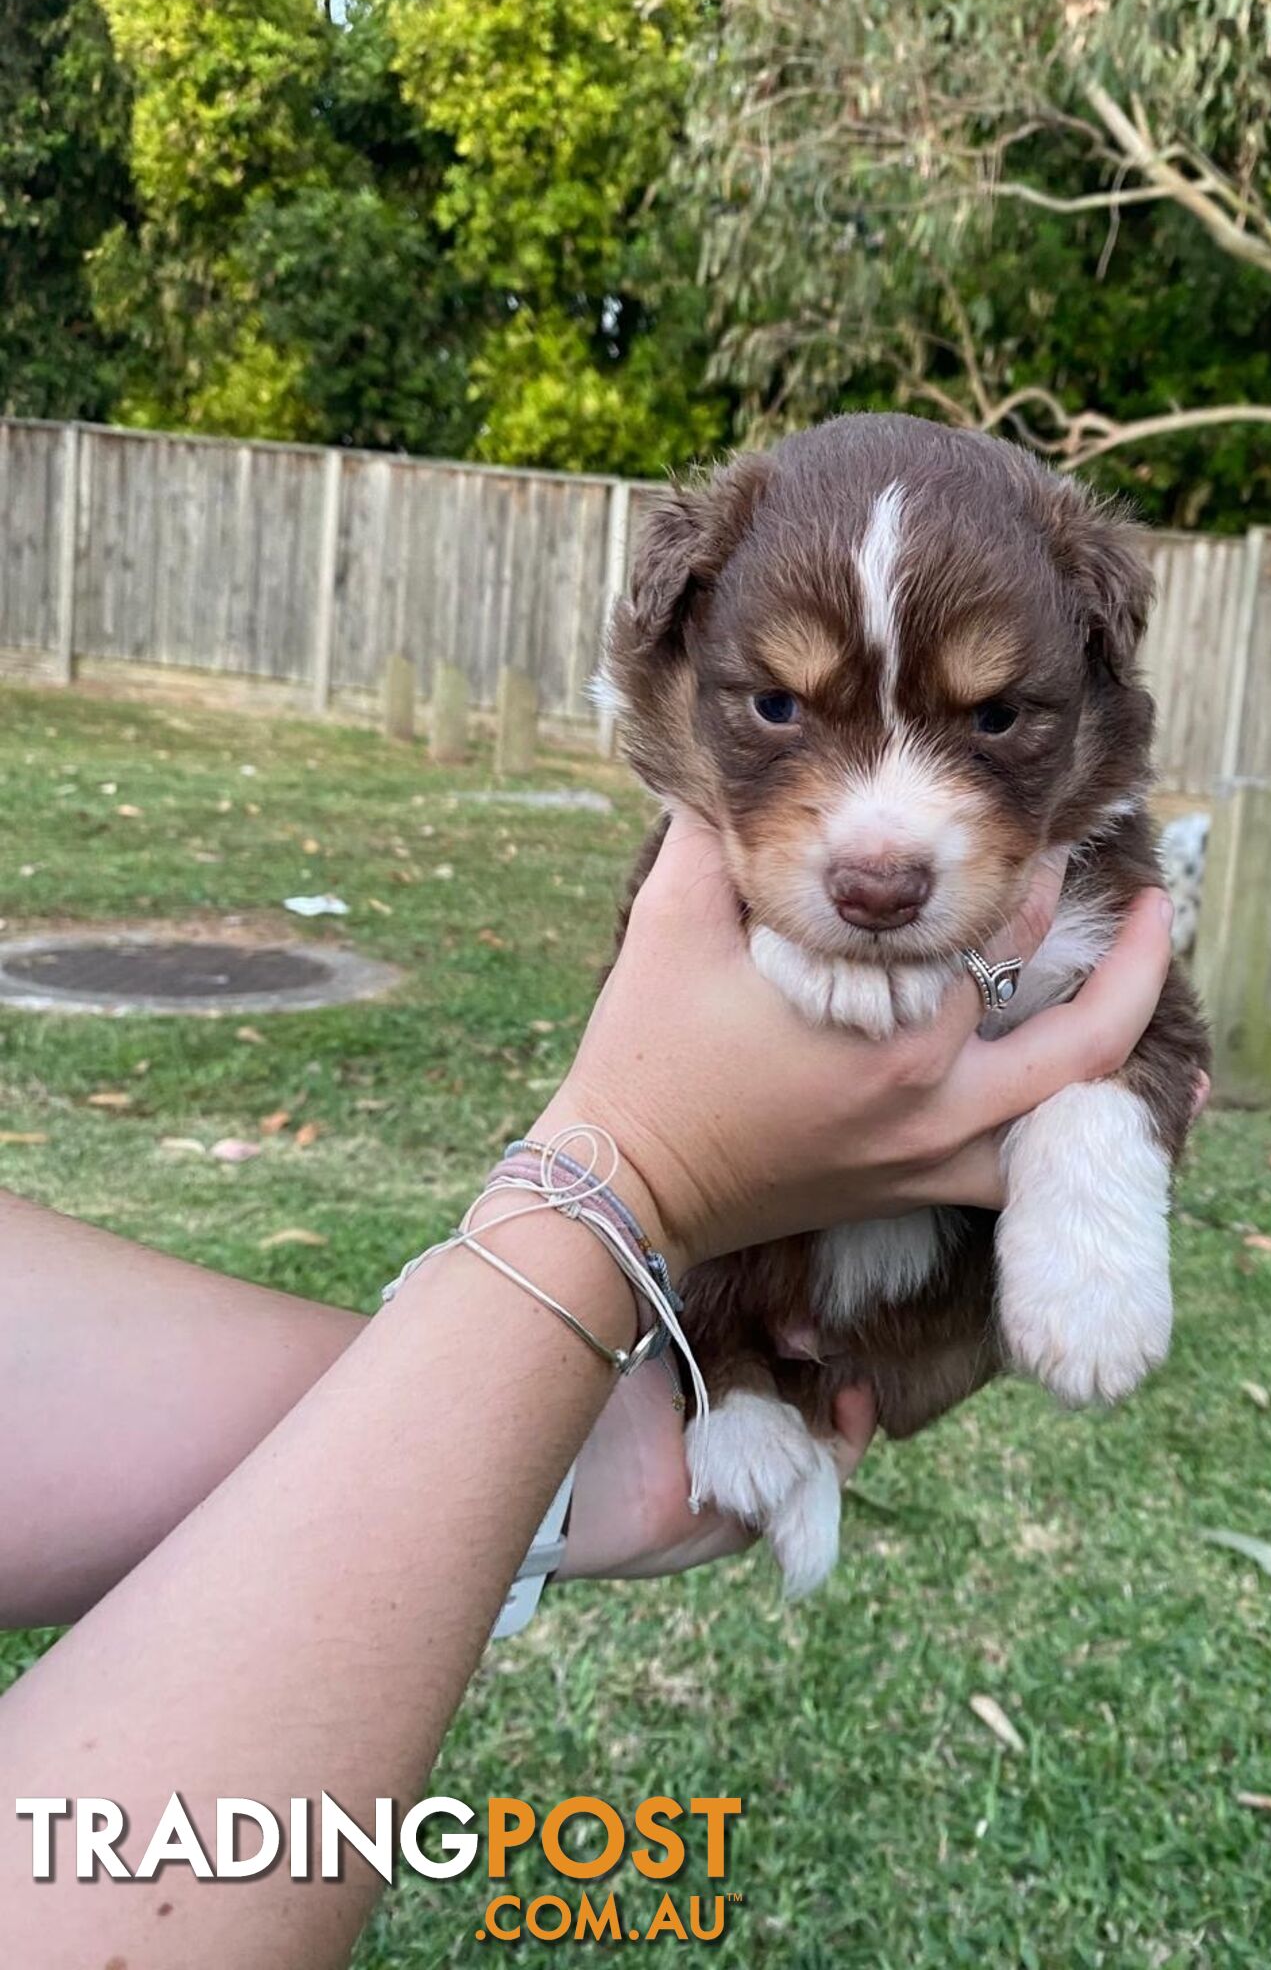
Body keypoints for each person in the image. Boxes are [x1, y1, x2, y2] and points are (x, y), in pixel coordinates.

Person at [0, 810, 1179, 1969]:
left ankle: (693, 1406)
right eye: (776, 706)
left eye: (990, 716)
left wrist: (572, 1466)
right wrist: (638, 1170)